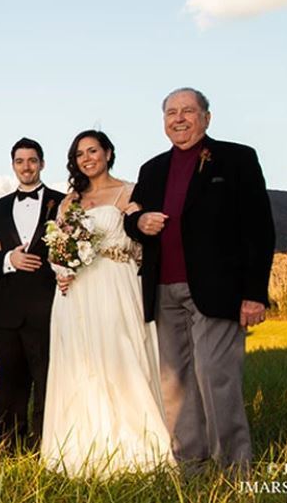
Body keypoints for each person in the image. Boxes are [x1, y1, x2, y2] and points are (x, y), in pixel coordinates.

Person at [123, 88, 275, 470]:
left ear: (206, 117)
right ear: (163, 122)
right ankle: (191, 464)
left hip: (217, 289)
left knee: (215, 376)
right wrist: (139, 222)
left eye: (188, 111)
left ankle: (234, 470)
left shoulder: (237, 159)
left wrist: (254, 293)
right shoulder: (152, 169)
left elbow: (259, 229)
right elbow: (132, 218)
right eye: (171, 112)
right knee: (175, 384)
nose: (179, 119)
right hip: (162, 289)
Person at [40, 130, 174, 478]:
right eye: (80, 153)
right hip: (75, 293)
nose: (87, 158)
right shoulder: (70, 201)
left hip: (115, 284)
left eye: (93, 150)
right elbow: (56, 247)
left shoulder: (129, 192)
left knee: (120, 356)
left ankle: (136, 449)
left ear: (108, 153)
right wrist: (61, 270)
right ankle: (80, 448)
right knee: (79, 363)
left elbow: (142, 241)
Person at [0, 137, 65, 449]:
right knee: (9, 385)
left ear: (42, 163)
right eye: (20, 161)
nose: (26, 167)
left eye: (32, 160)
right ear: (13, 165)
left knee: (48, 382)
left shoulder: (62, 202)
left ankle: (45, 446)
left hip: (49, 308)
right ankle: (8, 447)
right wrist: (9, 259)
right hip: (8, 311)